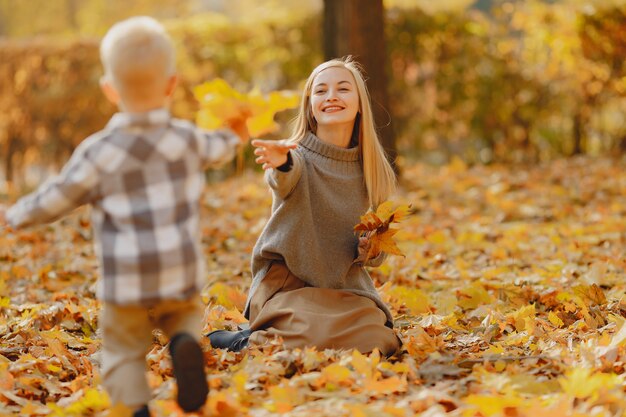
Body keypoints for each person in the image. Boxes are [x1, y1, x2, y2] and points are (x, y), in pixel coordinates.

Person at [0, 16, 248, 417]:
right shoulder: (185, 139)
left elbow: (57, 198)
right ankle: (183, 340)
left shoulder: (100, 152)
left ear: (109, 90)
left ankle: (134, 406)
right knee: (182, 316)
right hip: (179, 276)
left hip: (125, 283)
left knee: (121, 350)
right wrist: (235, 133)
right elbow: (217, 146)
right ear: (171, 86)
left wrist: (14, 215)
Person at [209, 57, 400, 356]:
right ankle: (245, 341)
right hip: (288, 287)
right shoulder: (296, 156)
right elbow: (286, 176)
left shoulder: (373, 171)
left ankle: (272, 336)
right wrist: (281, 163)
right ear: (310, 107)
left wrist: (371, 250)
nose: (331, 96)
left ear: (360, 103)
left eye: (343, 89)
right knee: (309, 334)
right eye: (321, 91)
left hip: (344, 291)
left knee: (379, 340)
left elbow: (378, 253)